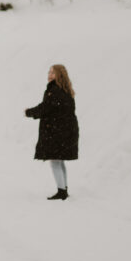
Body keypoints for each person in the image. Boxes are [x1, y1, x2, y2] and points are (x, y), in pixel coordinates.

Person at [25, 64, 79, 200]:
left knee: (55, 161)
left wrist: (29, 112)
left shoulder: (54, 91)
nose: (49, 74)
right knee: (59, 161)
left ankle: (61, 192)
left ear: (59, 75)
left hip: (58, 132)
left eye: (53, 73)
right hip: (65, 130)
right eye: (49, 72)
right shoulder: (65, 90)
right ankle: (64, 189)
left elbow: (45, 108)